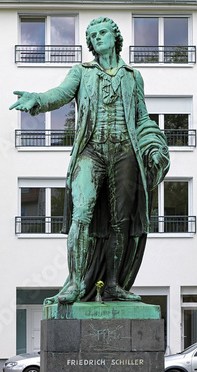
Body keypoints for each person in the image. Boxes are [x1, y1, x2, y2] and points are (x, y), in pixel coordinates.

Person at [10, 17, 170, 304]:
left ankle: (112, 285)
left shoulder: (133, 76)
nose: (97, 37)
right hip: (91, 151)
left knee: (120, 222)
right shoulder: (81, 73)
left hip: (125, 152)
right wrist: (37, 99)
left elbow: (142, 117)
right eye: (92, 35)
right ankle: (75, 283)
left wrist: (154, 147)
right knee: (81, 213)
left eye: (102, 32)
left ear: (115, 37)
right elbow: (59, 94)